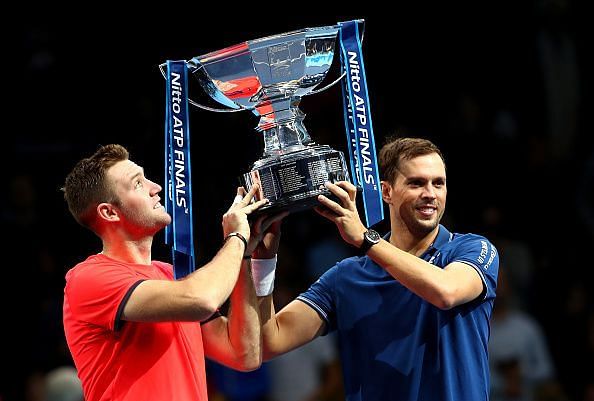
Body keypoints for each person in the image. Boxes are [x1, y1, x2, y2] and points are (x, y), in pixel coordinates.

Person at [250, 137, 500, 400]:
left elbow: (446, 292)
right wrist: (264, 261)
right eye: (416, 183)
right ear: (387, 192)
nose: (430, 193)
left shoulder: (471, 250)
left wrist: (365, 239)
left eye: (438, 183)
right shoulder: (346, 277)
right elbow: (269, 342)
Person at [61, 144, 278, 401]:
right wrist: (235, 237)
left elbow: (244, 354)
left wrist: (244, 254)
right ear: (109, 212)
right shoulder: (88, 278)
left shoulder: (169, 275)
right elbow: (202, 299)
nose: (157, 188)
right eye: (138, 184)